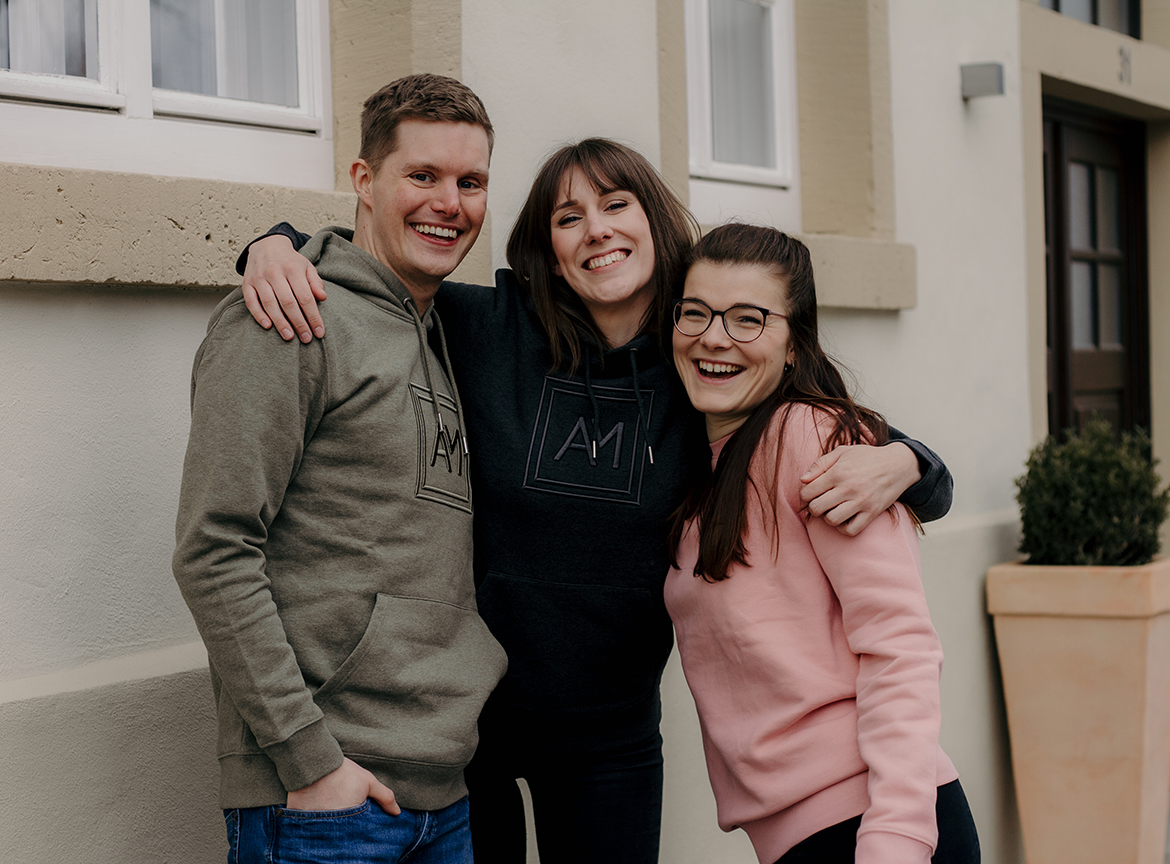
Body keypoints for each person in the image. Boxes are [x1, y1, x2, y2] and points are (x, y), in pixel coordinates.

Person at [237, 139, 954, 863]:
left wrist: (910, 460)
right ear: (549, 250)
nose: (597, 230)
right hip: (468, 727)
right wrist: (278, 245)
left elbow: (856, 450)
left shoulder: (697, 358)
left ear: (655, 224)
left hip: (612, 743)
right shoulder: (485, 328)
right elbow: (378, 277)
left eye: (616, 204)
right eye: (569, 217)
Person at [171, 73, 508, 864]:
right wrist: (310, 762)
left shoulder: (445, 332)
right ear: (364, 179)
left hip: (441, 797)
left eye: (470, 182)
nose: (449, 203)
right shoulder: (287, 317)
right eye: (421, 175)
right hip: (325, 804)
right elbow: (214, 549)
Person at [666, 223, 979, 864]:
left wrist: (895, 838)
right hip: (798, 838)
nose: (714, 337)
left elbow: (899, 648)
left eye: (748, 319)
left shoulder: (816, 441)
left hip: (872, 825)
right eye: (695, 312)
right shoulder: (699, 464)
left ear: (793, 346)